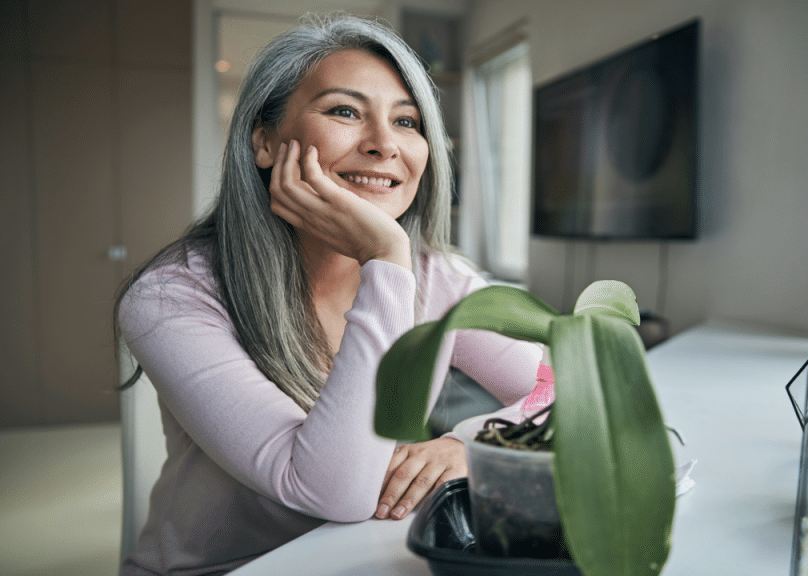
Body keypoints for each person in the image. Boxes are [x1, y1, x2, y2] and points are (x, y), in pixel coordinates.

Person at [115, 13, 542, 576]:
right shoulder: (171, 296)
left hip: (365, 556)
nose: (384, 145)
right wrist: (385, 261)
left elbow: (570, 389)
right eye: (345, 111)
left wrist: (471, 444)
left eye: (407, 121)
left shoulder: (435, 277)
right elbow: (330, 492)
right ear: (265, 142)